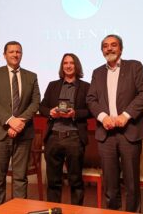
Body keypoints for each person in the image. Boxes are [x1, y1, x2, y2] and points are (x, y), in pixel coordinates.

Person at [86, 34, 143, 213]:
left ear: (121, 49)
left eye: (113, 45)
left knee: (131, 182)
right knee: (110, 183)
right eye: (105, 46)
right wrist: (102, 117)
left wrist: (125, 115)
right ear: (102, 51)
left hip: (129, 131)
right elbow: (91, 99)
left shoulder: (134, 67)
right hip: (106, 134)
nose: (109, 49)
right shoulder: (97, 72)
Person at [0, 41, 40, 209]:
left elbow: (36, 102)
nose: (15, 54)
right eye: (12, 52)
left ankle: (19, 211)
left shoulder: (31, 76)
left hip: (23, 132)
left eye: (18, 52)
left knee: (20, 178)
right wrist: (9, 121)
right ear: (4, 54)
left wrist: (20, 122)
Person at [39, 53, 90, 205]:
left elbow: (91, 111)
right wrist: (50, 112)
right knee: (53, 181)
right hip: (53, 137)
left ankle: (76, 210)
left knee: (75, 181)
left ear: (77, 66)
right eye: (65, 63)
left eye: (71, 63)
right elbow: (42, 107)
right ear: (62, 66)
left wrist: (75, 114)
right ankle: (53, 209)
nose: (68, 66)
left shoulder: (86, 87)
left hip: (74, 137)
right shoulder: (53, 85)